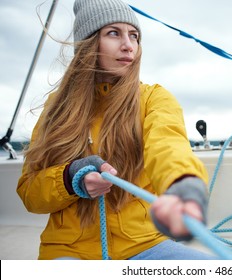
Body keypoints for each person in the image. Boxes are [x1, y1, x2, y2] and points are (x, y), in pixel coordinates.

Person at [17, 0, 215, 260]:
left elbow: (168, 146)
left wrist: (182, 184)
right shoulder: (57, 108)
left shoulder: (154, 98)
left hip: (146, 246)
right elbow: (30, 193)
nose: (128, 45)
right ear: (89, 43)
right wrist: (70, 178)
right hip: (70, 251)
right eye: (114, 33)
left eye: (134, 36)